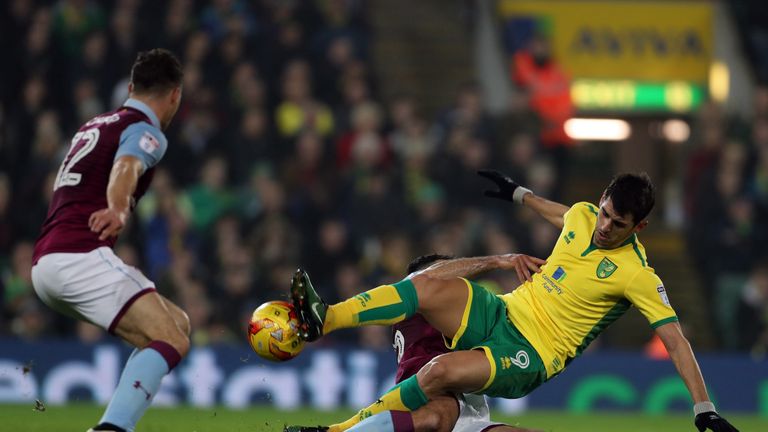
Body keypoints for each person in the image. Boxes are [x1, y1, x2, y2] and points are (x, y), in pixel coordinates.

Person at [286, 170, 739, 432]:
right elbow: (559, 212)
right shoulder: (583, 216)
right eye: (604, 213)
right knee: (426, 282)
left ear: (638, 228)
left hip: (530, 354)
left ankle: (341, 431)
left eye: (618, 224)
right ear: (599, 201)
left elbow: (676, 341)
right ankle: (324, 319)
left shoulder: (637, 275)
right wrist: (517, 193)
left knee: (438, 372)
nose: (604, 227)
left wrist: (704, 408)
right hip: (504, 310)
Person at [30, 49, 187, 432]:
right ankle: (112, 429)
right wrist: (118, 209)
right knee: (171, 337)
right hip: (78, 255)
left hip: (47, 261)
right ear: (175, 96)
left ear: (131, 87)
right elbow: (127, 165)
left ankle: (112, 425)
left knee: (177, 326)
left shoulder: (95, 124)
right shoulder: (146, 130)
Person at [287, 252, 546, 432]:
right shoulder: (416, 301)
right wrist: (498, 260)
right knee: (436, 418)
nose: (458, 282)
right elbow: (426, 280)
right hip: (433, 397)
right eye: (449, 272)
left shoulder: (450, 315)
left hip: (469, 406)